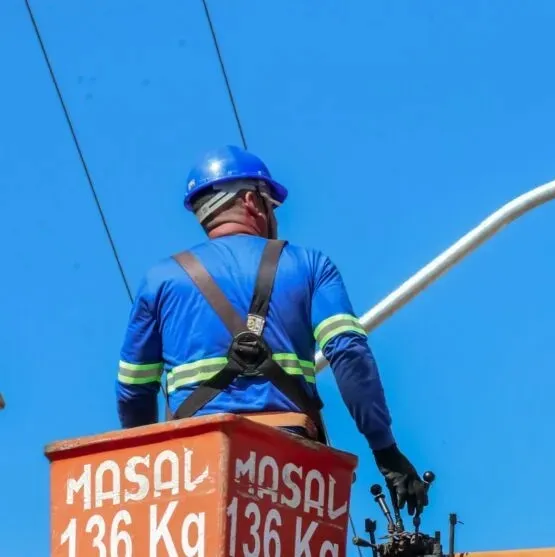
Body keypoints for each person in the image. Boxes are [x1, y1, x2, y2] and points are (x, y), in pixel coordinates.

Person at [116, 145, 428, 516]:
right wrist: (385, 449)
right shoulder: (310, 266)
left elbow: (133, 390)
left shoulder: (160, 280)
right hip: (286, 456)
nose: (275, 219)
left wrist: (146, 469)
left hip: (192, 460)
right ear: (251, 201)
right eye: (271, 206)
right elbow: (348, 353)